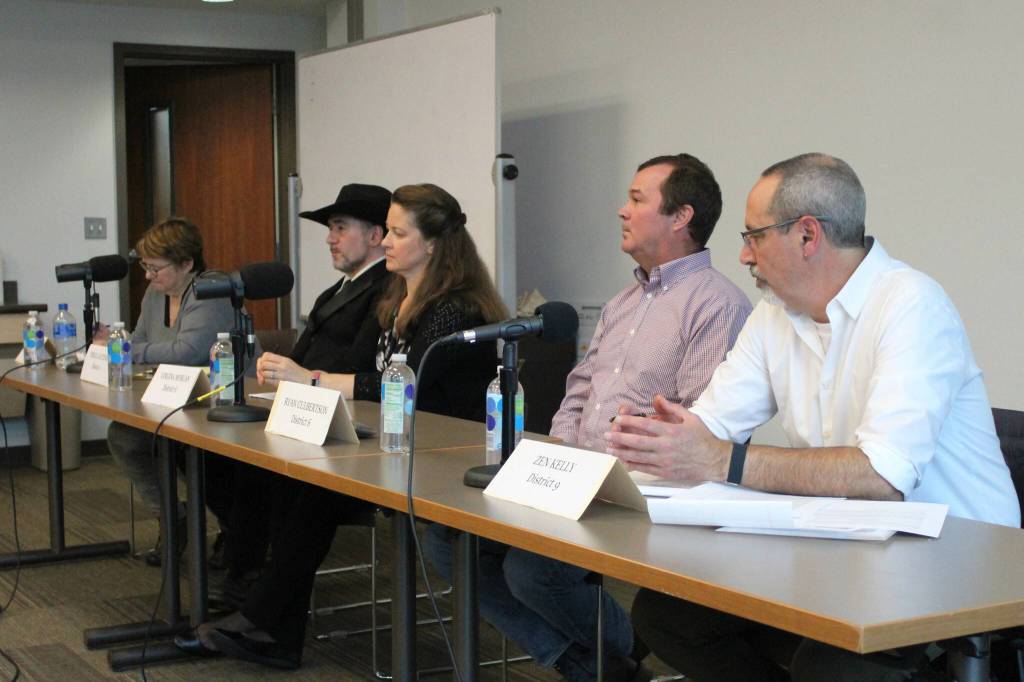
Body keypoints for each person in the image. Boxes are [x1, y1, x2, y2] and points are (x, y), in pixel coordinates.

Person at [606, 153, 1021, 682]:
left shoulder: (912, 305)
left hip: (958, 567)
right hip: (848, 551)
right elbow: (708, 430)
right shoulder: (774, 314)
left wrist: (719, 460)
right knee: (667, 619)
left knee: (828, 668)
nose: (742, 254)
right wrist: (657, 444)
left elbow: (883, 476)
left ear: (807, 235)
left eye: (753, 236)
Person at [425, 154, 752, 682]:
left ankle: (619, 650)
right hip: (573, 479)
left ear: (680, 216)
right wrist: (554, 461)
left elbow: (700, 427)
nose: (622, 210)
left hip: (637, 493)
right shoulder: (623, 301)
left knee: (531, 572)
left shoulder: (717, 304)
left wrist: (593, 473)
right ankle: (597, 664)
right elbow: (578, 389)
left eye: (638, 200)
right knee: (448, 541)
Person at [178, 183, 507, 670]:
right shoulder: (397, 298)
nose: (387, 242)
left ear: (433, 244)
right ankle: (269, 626)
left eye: (397, 233)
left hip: (444, 457)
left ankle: (265, 621)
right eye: (387, 232)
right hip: (394, 444)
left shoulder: (454, 309)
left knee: (314, 488)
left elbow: (399, 385)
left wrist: (312, 379)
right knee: (296, 477)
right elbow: (375, 382)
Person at [207, 183, 394, 608]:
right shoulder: (335, 292)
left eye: (339, 227)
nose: (329, 238)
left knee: (257, 468)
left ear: (375, 235)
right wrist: (278, 370)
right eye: (330, 228)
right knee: (214, 455)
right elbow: (304, 357)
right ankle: (247, 564)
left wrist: (300, 375)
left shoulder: (387, 291)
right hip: (308, 413)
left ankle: (253, 577)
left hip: (350, 428)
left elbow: (364, 367)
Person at [104, 217, 256, 566]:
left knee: (182, 445)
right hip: (178, 400)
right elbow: (143, 341)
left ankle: (238, 534)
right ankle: (171, 516)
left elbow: (187, 352)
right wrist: (134, 349)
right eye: (145, 266)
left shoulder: (211, 291)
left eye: (156, 268)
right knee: (126, 436)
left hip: (226, 402)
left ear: (187, 263)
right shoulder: (154, 295)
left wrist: (126, 351)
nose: (148, 276)